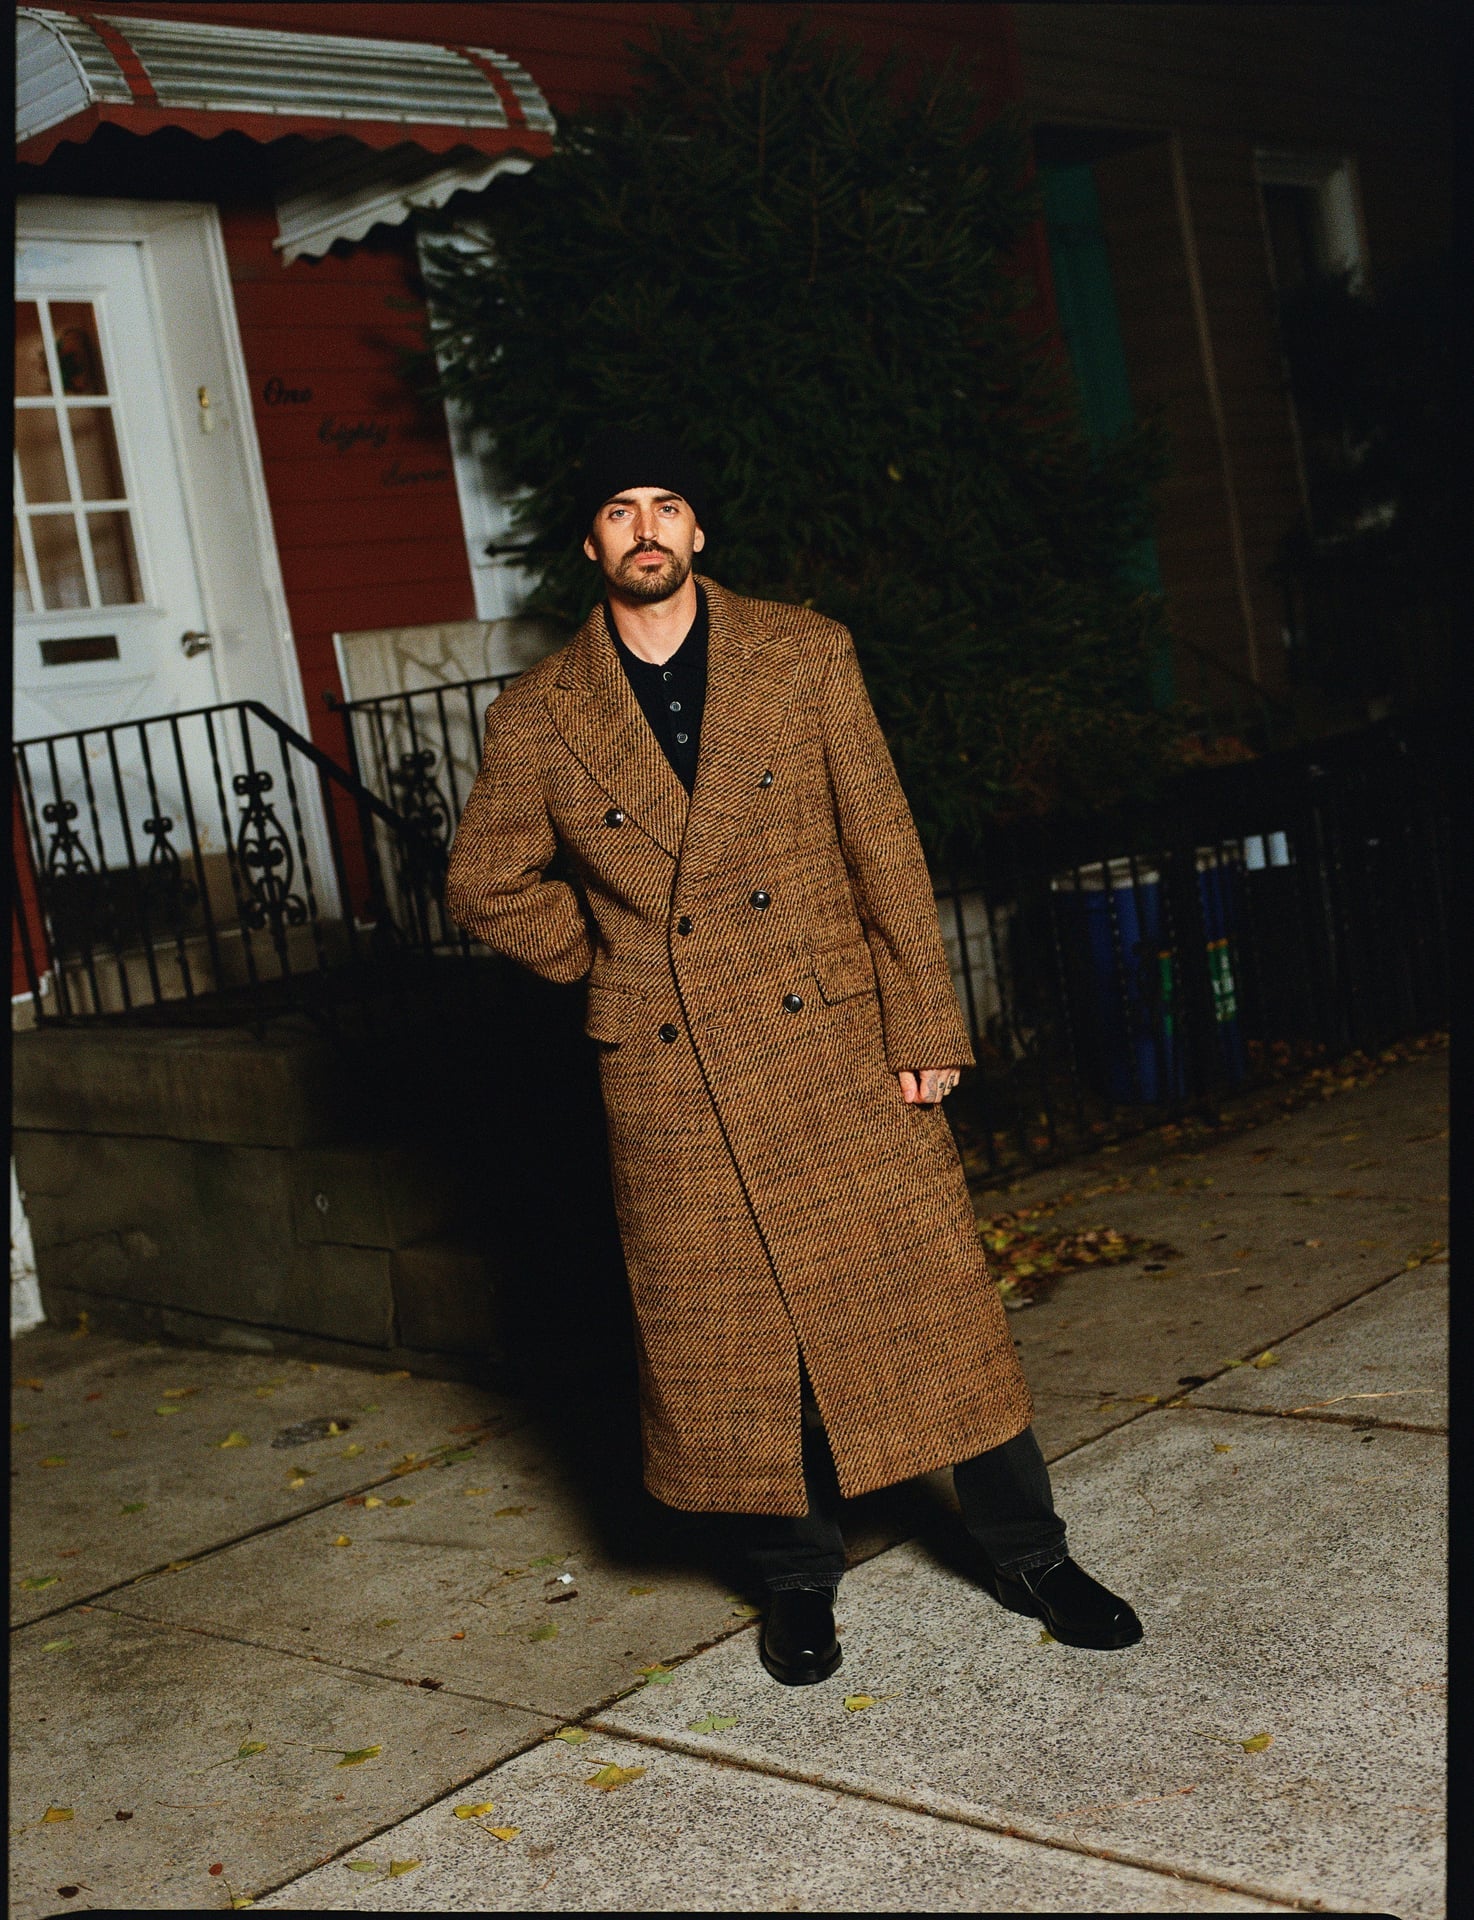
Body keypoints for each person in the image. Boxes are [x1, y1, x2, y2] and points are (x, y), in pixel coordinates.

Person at [445, 430, 1141, 1683]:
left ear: (698, 530)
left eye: (667, 505)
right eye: (620, 510)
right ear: (592, 542)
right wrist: (615, 956)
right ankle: (795, 1579)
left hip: (832, 1041)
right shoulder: (539, 712)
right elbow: (484, 885)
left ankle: (1031, 1553)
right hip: (673, 1068)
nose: (646, 529)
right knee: (730, 1340)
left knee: (930, 1305)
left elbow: (883, 842)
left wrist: (923, 1026)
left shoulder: (802, 651)